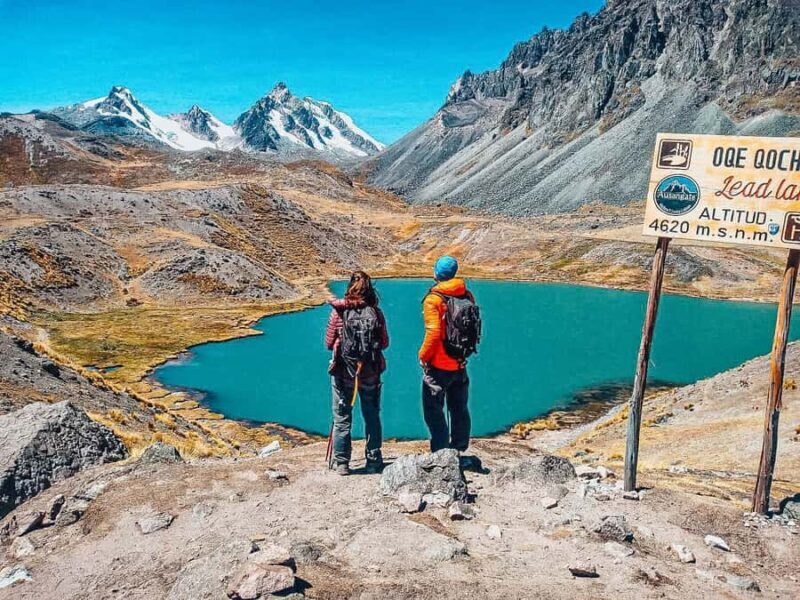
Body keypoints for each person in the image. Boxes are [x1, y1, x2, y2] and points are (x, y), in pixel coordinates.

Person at [325, 271, 389, 475]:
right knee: (372, 416)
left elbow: (328, 343)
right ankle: (373, 460)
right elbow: (385, 343)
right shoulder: (376, 313)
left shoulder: (339, 312)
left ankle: (342, 463)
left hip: (344, 373)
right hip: (370, 373)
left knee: (342, 417)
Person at [418, 256, 481, 453]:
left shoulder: (434, 299)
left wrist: (423, 356)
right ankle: (459, 448)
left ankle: (441, 452)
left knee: (433, 410)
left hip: (439, 366)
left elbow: (433, 333)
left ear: (437, 273)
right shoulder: (466, 295)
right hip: (460, 361)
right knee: (459, 408)